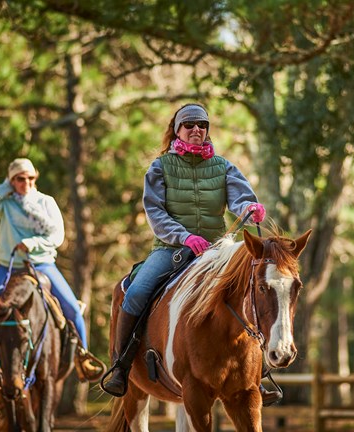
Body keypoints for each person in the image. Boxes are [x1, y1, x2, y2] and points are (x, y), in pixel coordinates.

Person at [101, 103, 280, 404]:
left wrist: (250, 209)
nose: (197, 129)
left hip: (218, 249)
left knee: (253, 288)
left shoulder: (223, 166)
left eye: (202, 125)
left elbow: (240, 199)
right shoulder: (160, 167)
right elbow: (155, 213)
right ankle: (120, 367)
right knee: (135, 293)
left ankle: (258, 374)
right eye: (190, 124)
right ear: (177, 129)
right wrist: (184, 237)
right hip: (171, 248)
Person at [0, 158, 104, 386]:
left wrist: (31, 244)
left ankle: (83, 356)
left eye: (30, 178)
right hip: (9, 268)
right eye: (20, 179)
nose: (26, 183)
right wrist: (6, 186)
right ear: (12, 181)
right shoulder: (6, 203)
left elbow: (57, 237)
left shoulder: (46, 202)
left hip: (43, 265)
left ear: (36, 179)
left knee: (72, 308)